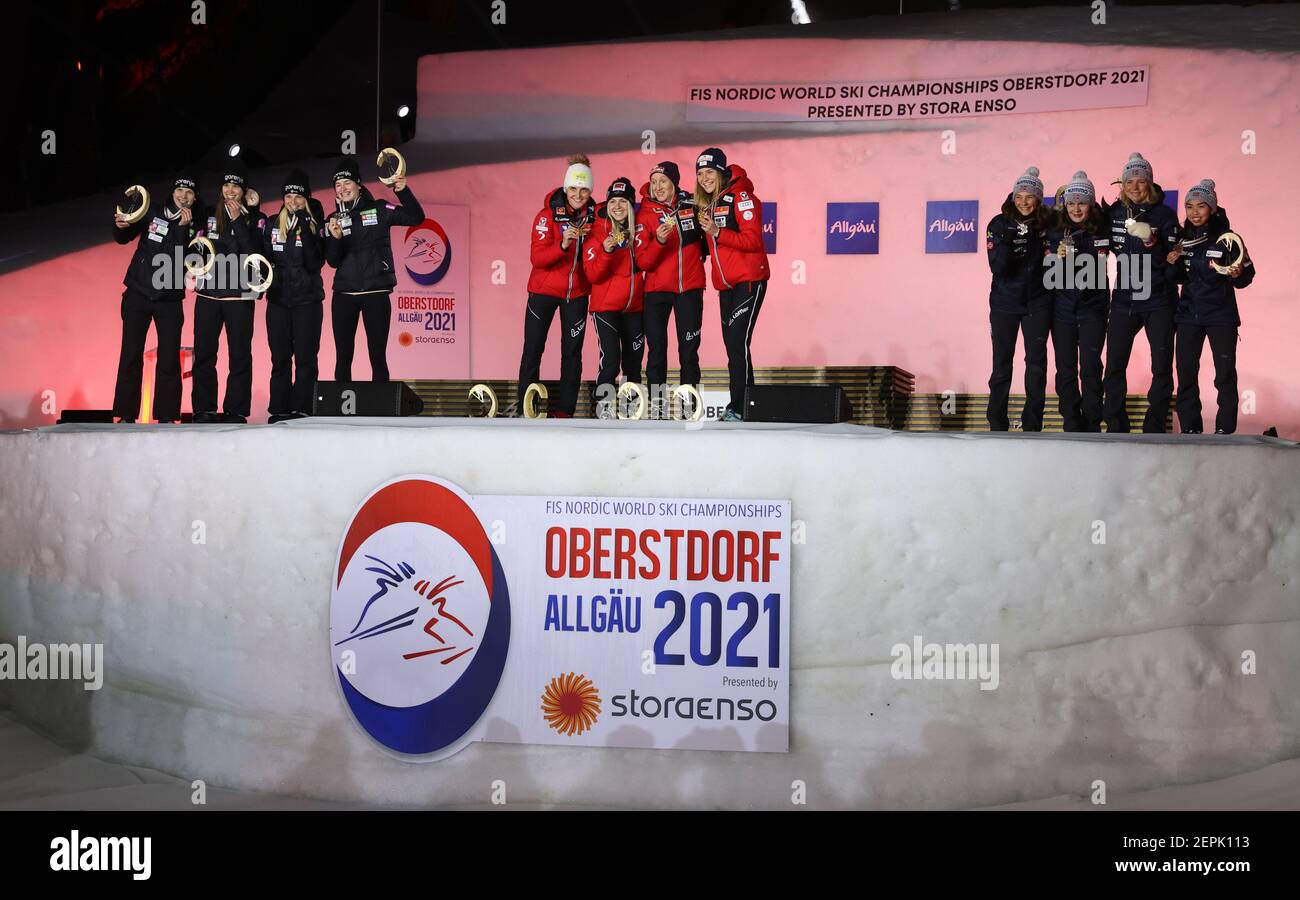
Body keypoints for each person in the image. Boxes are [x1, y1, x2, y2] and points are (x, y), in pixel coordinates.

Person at [324, 155, 425, 383]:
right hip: (344, 295)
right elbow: (332, 261)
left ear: (358, 184)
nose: (342, 189)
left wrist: (403, 191)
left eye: (347, 183)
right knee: (343, 357)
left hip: (376, 293)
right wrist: (335, 238)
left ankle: (379, 410)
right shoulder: (332, 219)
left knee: (377, 356)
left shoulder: (379, 208)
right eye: (338, 185)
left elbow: (416, 217)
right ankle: (340, 409)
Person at [110, 172, 201, 423]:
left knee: (169, 357)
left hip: (169, 299)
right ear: (172, 192)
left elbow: (183, 259)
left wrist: (183, 230)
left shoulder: (195, 223)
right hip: (138, 293)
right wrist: (119, 226)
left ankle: (166, 416)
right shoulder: (152, 211)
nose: (183, 196)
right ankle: (126, 415)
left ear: (195, 198)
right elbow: (123, 237)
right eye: (180, 191)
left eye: (190, 193)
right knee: (130, 353)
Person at [1100, 152, 1181, 433]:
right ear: (1122, 185)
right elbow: (1096, 241)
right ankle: (1116, 427)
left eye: (1141, 181)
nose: (1135, 187)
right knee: (1113, 367)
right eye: (1129, 181)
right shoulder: (1114, 213)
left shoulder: (1165, 215)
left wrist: (1152, 242)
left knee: (1161, 367)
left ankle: (1155, 427)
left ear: (1150, 183)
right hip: (1123, 300)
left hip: (1159, 300)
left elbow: (1173, 260)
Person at [1171, 179, 1256, 434]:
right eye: (1189, 206)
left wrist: (1238, 273)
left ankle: (1224, 431)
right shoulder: (1181, 239)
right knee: (1186, 374)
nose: (1194, 212)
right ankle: (1190, 429)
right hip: (1187, 315)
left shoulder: (1228, 239)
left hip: (1221, 316)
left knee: (1224, 375)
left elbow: (1246, 277)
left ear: (1212, 208)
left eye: (1201, 206)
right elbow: (1178, 278)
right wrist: (1172, 262)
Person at [693, 147, 769, 422]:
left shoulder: (743, 197)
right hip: (725, 286)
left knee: (737, 342)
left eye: (709, 172)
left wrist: (717, 232)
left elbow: (753, 242)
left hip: (749, 280)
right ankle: (743, 405)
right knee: (733, 346)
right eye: (700, 173)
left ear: (722, 172)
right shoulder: (711, 204)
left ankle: (742, 406)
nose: (704, 178)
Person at [519, 153, 596, 418]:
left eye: (584, 189)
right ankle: (525, 408)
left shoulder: (595, 219)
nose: (578, 194)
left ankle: (565, 412)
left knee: (572, 353)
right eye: (573, 188)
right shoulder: (546, 215)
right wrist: (563, 244)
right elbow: (537, 258)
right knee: (533, 349)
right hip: (543, 292)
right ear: (565, 188)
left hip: (576, 294)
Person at [192, 157, 266, 424]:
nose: (230, 190)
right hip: (208, 296)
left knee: (239, 356)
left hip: (239, 297)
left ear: (245, 190)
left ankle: (235, 411)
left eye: (236, 186)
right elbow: (196, 248)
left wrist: (238, 220)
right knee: (204, 354)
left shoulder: (257, 218)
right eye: (227, 185)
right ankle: (204, 409)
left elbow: (255, 254)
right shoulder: (209, 214)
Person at [984, 166, 1053, 431]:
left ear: (1038, 199)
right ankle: (997, 424)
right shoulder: (998, 224)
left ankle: (1032, 424)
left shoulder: (1047, 224)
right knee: (1002, 364)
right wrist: (1012, 240)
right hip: (1004, 303)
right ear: (1013, 197)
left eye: (1030, 196)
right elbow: (998, 268)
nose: (1024, 202)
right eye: (1020, 196)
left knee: (1036, 365)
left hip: (1038, 302)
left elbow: (1054, 266)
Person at [635, 161, 704, 419]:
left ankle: (689, 409)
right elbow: (643, 261)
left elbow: (705, 243)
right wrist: (660, 241)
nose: (658, 187)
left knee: (688, 352)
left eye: (663, 181)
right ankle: (657, 408)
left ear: (674, 183)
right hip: (656, 292)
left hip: (689, 288)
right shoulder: (644, 213)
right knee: (656, 351)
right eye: (654, 182)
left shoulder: (691, 205)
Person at [1045, 171, 1110, 432]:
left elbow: (1129, 252)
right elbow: (1043, 271)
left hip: (1093, 308)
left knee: (1092, 367)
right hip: (1062, 309)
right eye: (1071, 203)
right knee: (1066, 369)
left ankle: (1093, 423)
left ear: (1091, 204)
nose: (1076, 208)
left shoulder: (1102, 227)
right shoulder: (1054, 231)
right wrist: (1053, 258)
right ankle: (1071, 422)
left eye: (1081, 202)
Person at [263, 168, 326, 422]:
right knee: (279, 358)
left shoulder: (314, 225)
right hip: (278, 301)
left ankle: (303, 408)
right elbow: (264, 260)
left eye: (298, 197)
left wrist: (305, 226)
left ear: (306, 200)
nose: (292, 201)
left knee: (305, 357)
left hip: (307, 301)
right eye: (288, 196)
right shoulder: (271, 223)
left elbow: (315, 263)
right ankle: (279, 408)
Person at [585, 177, 646, 419]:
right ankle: (605, 408)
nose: (617, 206)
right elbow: (592, 274)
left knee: (633, 363)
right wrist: (607, 251)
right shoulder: (596, 230)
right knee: (610, 360)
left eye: (622, 201)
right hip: (606, 308)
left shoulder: (639, 229)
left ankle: (631, 410)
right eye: (613, 201)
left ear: (631, 204)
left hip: (634, 307)